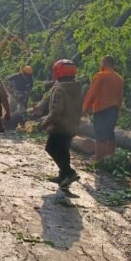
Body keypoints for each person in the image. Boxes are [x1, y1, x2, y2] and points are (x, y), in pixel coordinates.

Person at [39, 60, 83, 189]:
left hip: (60, 126)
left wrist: (44, 124)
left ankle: (69, 173)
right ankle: (63, 175)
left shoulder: (59, 89)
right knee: (64, 150)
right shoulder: (77, 87)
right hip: (72, 125)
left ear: (57, 72)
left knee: (51, 148)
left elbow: (55, 111)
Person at [83, 55, 125, 161]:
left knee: (100, 133)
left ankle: (98, 160)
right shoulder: (120, 79)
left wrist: (85, 108)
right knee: (110, 132)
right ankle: (110, 159)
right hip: (114, 109)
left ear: (104, 63)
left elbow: (92, 93)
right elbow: (120, 96)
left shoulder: (101, 76)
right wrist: (118, 109)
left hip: (102, 109)